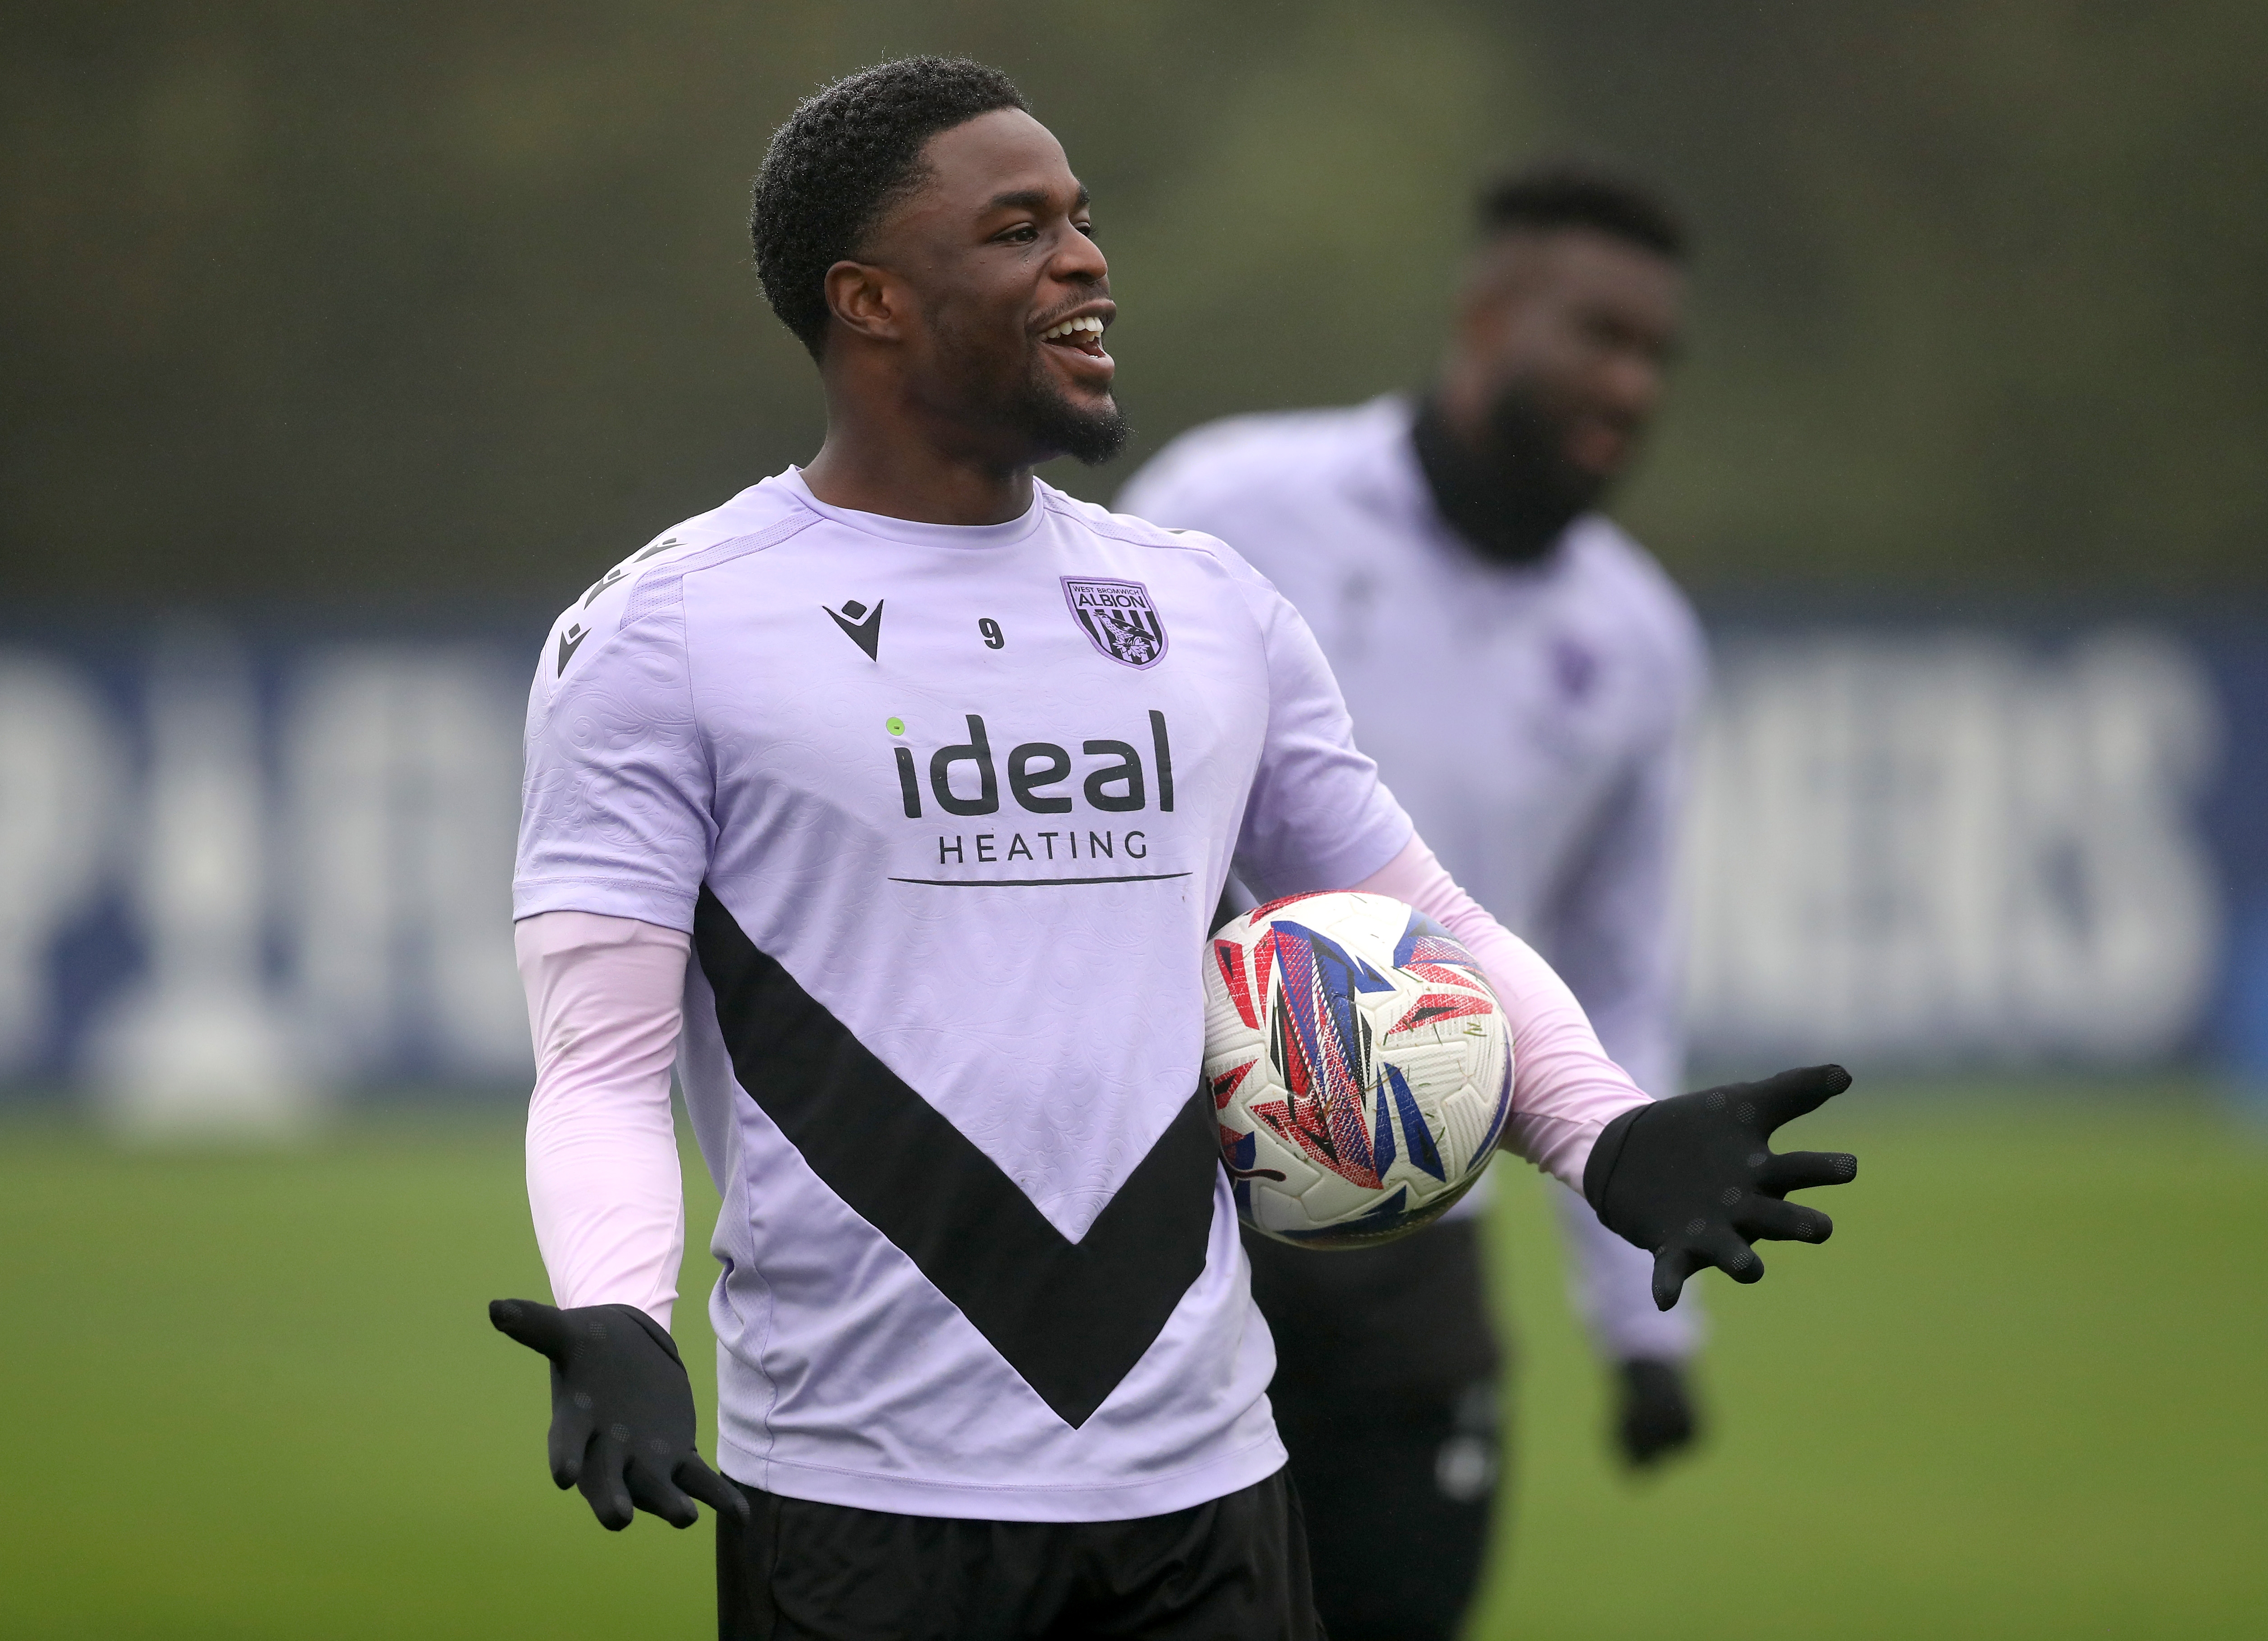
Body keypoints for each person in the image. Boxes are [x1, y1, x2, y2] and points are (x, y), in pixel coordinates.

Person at [489, 59, 1856, 1641]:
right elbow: (597, 1067)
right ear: (867, 300)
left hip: (1207, 1499)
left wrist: (1603, 1136)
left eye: (1081, 219)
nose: (1085, 259)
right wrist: (617, 1316)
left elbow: (1416, 915)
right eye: (1019, 231)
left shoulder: (1204, 605)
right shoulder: (665, 632)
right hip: (866, 1509)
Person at [1118, 160, 1708, 1638]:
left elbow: (1615, 970)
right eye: (1598, 335)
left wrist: (1642, 1325)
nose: (1630, 384)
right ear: (1488, 314)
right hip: (1173, 1216)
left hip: (1415, 1238)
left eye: (1656, 356)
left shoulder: (1638, 641)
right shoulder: (1229, 506)